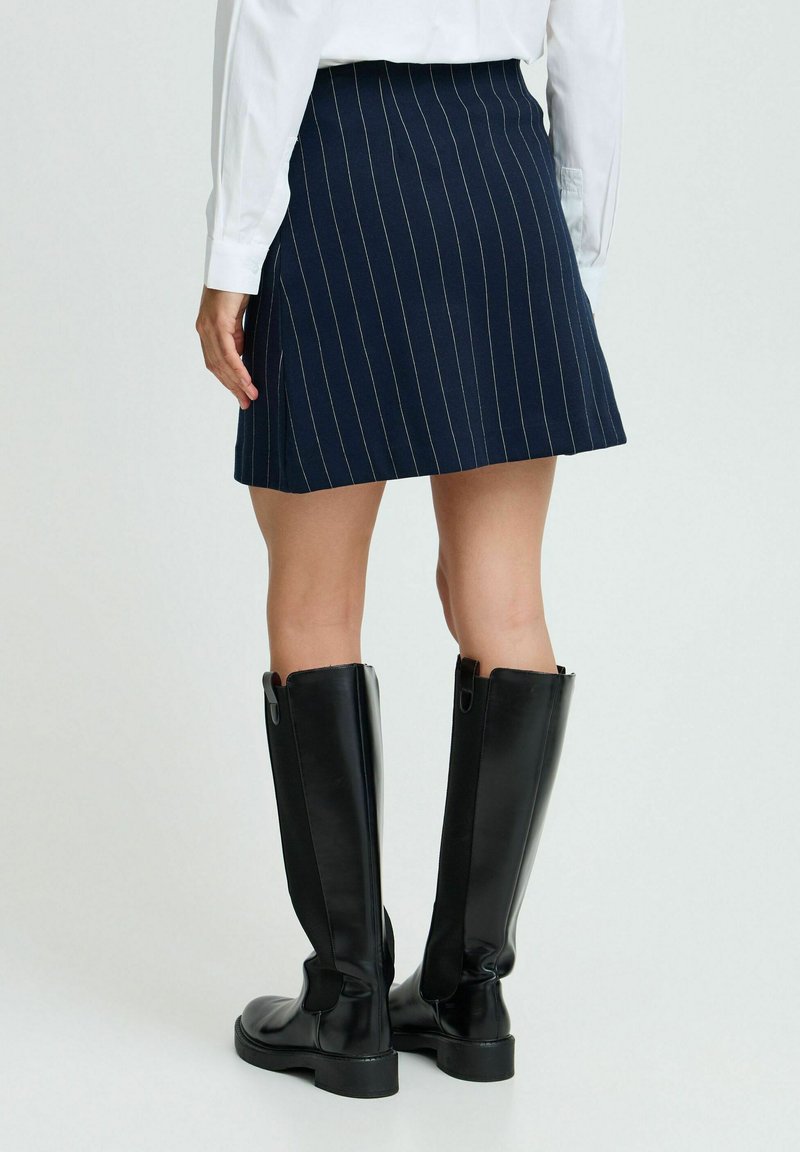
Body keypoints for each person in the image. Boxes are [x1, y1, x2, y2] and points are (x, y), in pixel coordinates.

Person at [195, 0, 627, 1099]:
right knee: (505, 598)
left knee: (312, 598)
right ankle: (468, 995)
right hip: (503, 173)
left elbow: (274, 24)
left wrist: (233, 252)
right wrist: (570, 243)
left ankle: (347, 1006)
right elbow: (590, 39)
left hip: (335, 168)